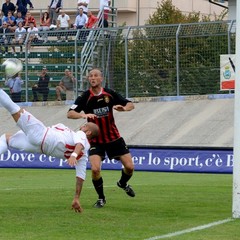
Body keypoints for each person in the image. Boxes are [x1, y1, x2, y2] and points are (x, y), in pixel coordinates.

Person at [0, 69, 99, 213]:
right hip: (37, 147)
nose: (83, 125)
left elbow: (80, 143)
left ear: (88, 131)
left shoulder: (82, 138)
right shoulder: (83, 156)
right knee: (6, 139)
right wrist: (77, 198)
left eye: (85, 125)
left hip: (41, 134)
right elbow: (80, 176)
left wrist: (72, 156)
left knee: (14, 108)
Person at [67, 68, 136, 208]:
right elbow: (70, 113)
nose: (92, 78)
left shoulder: (109, 94)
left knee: (129, 167)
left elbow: (130, 104)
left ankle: (122, 183)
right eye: (90, 76)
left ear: (101, 78)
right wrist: (83, 115)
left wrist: (125, 109)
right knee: (95, 169)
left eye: (95, 75)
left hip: (113, 138)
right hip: (95, 140)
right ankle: (101, 198)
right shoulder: (85, 97)